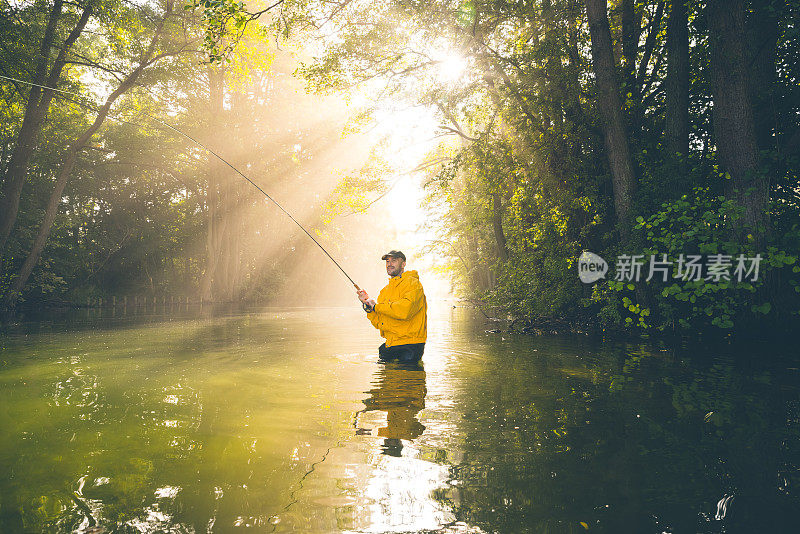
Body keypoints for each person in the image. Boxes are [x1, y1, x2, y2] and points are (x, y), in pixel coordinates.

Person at [357, 250, 427, 363]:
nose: (389, 264)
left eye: (394, 260)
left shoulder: (413, 284)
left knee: (406, 377)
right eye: (387, 261)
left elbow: (405, 310)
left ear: (403, 264)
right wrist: (369, 307)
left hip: (410, 346)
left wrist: (376, 307)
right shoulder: (384, 291)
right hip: (391, 345)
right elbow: (380, 323)